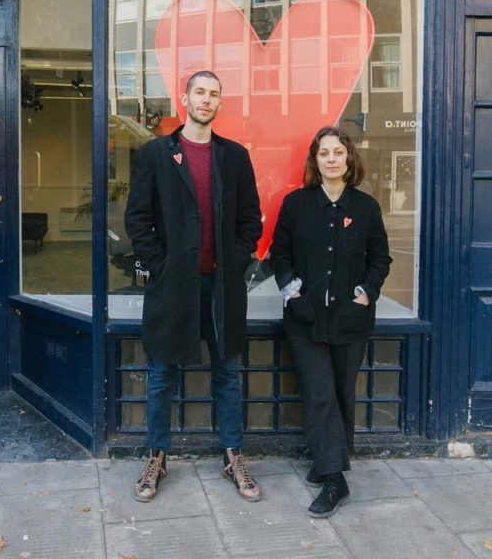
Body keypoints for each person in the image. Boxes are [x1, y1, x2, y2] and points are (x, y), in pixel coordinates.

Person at [125, 70, 263, 503]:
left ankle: (233, 455)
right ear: (184, 98)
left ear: (221, 103)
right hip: (172, 287)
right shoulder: (154, 155)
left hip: (221, 288)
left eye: (214, 93)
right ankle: (156, 456)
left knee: (227, 373)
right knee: (161, 373)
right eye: (199, 92)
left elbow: (250, 223)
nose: (206, 99)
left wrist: (234, 263)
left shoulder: (235, 157)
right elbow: (137, 220)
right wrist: (161, 267)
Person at [269, 125, 391, 517]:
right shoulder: (296, 205)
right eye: (324, 153)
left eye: (338, 152)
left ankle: (327, 462)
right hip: (306, 319)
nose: (332, 159)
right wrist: (294, 294)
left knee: (341, 394)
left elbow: (380, 259)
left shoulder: (366, 208)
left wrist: (365, 294)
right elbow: (280, 257)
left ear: (349, 159)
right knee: (320, 393)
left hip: (350, 319)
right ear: (315, 160)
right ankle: (336, 479)